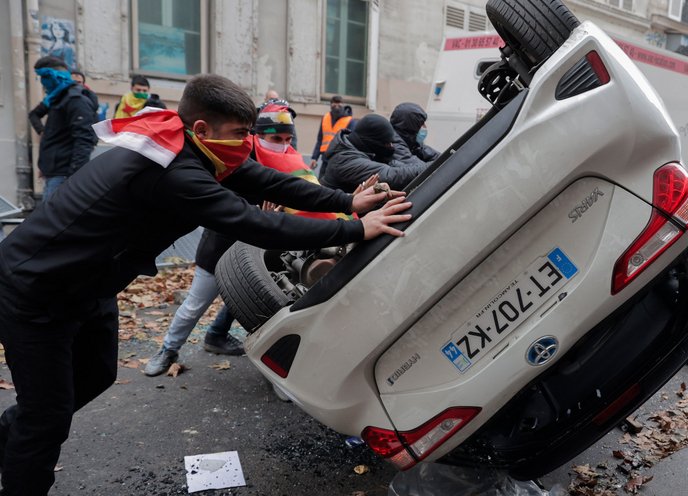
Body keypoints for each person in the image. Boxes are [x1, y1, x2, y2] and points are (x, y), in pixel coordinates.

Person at [0, 74, 411, 494]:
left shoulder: (190, 145)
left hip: (88, 286)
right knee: (46, 419)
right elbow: (255, 223)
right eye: (240, 133)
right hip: (37, 289)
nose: (248, 142)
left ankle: (10, 440)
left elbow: (267, 181)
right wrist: (355, 229)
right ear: (201, 127)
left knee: (96, 376)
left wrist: (347, 202)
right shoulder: (173, 172)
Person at [144, 101, 349, 376]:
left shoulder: (289, 162)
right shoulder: (233, 158)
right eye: (276, 139)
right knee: (195, 305)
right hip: (220, 249)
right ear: (257, 135)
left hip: (259, 253)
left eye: (288, 139)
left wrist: (347, 205)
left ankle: (217, 335)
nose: (283, 145)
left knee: (250, 299)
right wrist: (259, 215)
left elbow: (302, 193)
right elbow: (224, 206)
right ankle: (168, 350)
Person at [28, 56, 97, 202]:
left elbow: (84, 140)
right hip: (54, 174)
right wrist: (46, 165)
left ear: (54, 76)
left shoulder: (75, 100)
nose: (42, 82)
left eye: (44, 77)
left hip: (64, 176)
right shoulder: (57, 99)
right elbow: (54, 136)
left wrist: (73, 177)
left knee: (55, 215)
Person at [319, 114, 428, 192]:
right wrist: (430, 167)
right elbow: (391, 176)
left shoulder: (360, 149)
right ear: (372, 141)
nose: (391, 147)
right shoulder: (345, 160)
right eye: (387, 143)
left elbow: (392, 165)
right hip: (337, 216)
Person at [310, 95, 356, 171]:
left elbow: (352, 142)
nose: (336, 106)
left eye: (339, 103)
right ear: (331, 105)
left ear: (342, 104)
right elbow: (320, 139)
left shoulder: (350, 121)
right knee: (322, 178)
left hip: (339, 160)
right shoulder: (325, 118)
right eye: (334, 103)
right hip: (325, 158)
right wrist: (315, 157)